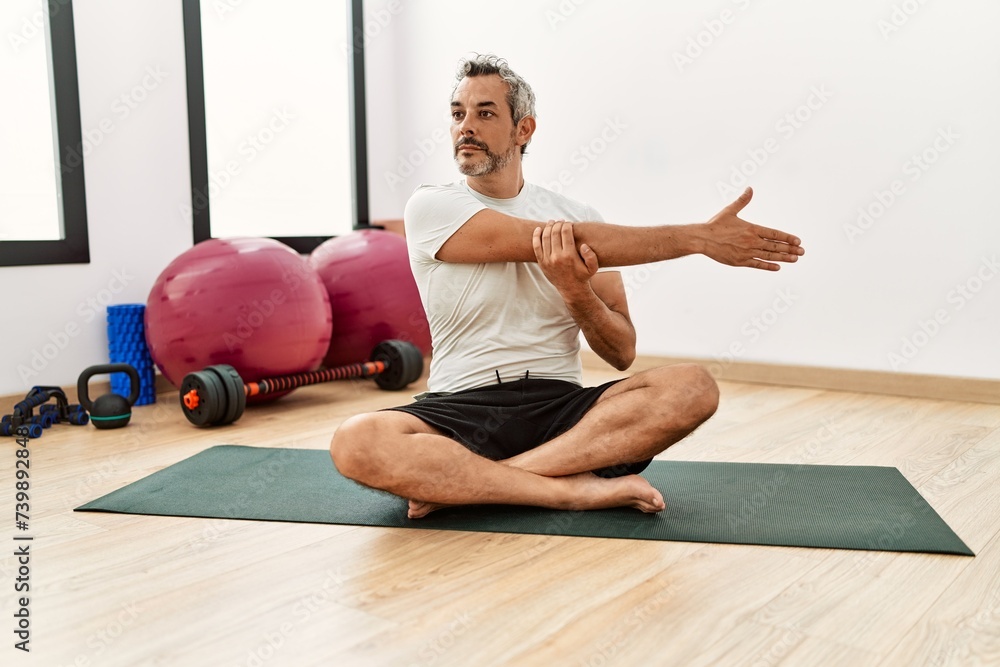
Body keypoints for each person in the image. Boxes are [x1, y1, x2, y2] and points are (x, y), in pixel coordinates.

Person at [330, 55, 804, 519]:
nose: (465, 127)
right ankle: (569, 492)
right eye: (458, 114)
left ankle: (475, 485)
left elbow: (621, 352)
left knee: (692, 388)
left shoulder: (581, 215)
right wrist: (697, 238)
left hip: (563, 413)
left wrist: (576, 293)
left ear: (524, 130)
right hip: (463, 408)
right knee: (356, 441)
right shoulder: (432, 207)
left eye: (485, 112)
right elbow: (551, 242)